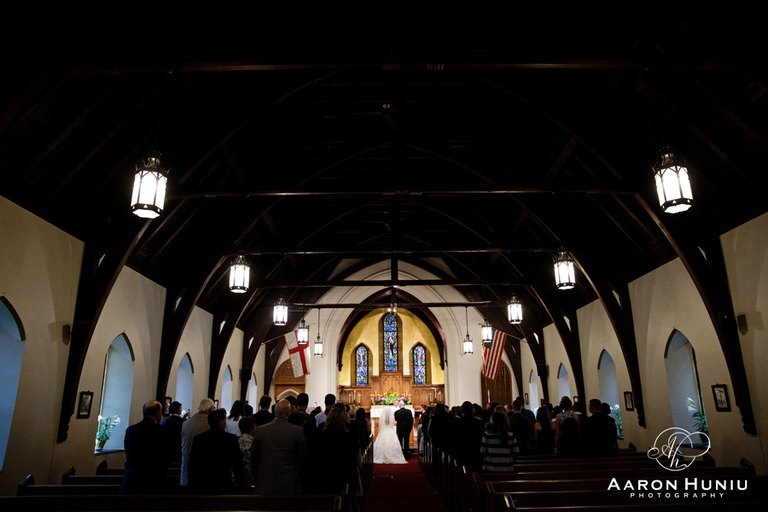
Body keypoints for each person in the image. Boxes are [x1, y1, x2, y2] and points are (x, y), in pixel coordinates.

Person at [251, 399, 307, 494]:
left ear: (274, 411)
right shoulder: (297, 432)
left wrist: (257, 478)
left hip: (265, 483)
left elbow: (254, 460)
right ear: (289, 413)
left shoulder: (260, 431)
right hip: (289, 483)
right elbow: (302, 460)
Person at [188, 409, 244, 492]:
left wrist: (192, 485)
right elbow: (237, 464)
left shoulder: (199, 439)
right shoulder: (230, 439)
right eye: (224, 420)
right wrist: (241, 485)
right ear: (220, 422)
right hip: (223, 482)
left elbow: (193, 464)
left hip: (203, 483)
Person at [119, 400, 169, 495]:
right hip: (153, 481)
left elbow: (127, 450)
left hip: (131, 481)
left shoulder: (131, 430)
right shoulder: (161, 431)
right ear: (157, 413)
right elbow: (166, 455)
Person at [180, 398, 215, 485]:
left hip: (186, 462)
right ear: (210, 409)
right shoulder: (209, 424)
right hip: (203, 467)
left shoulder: (186, 423)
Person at [238, 416, 256, 485]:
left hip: (239, 476)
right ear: (251, 428)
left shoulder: (236, 440)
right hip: (251, 476)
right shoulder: (254, 442)